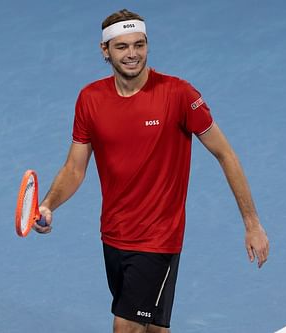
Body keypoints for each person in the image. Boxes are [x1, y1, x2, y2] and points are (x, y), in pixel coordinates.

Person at [34, 8, 269, 333]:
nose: (132, 54)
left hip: (159, 239)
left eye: (139, 44)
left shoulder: (179, 95)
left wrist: (252, 224)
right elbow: (74, 168)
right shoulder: (89, 99)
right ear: (105, 51)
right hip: (114, 235)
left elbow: (225, 153)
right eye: (122, 46)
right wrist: (48, 204)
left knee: (126, 325)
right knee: (153, 327)